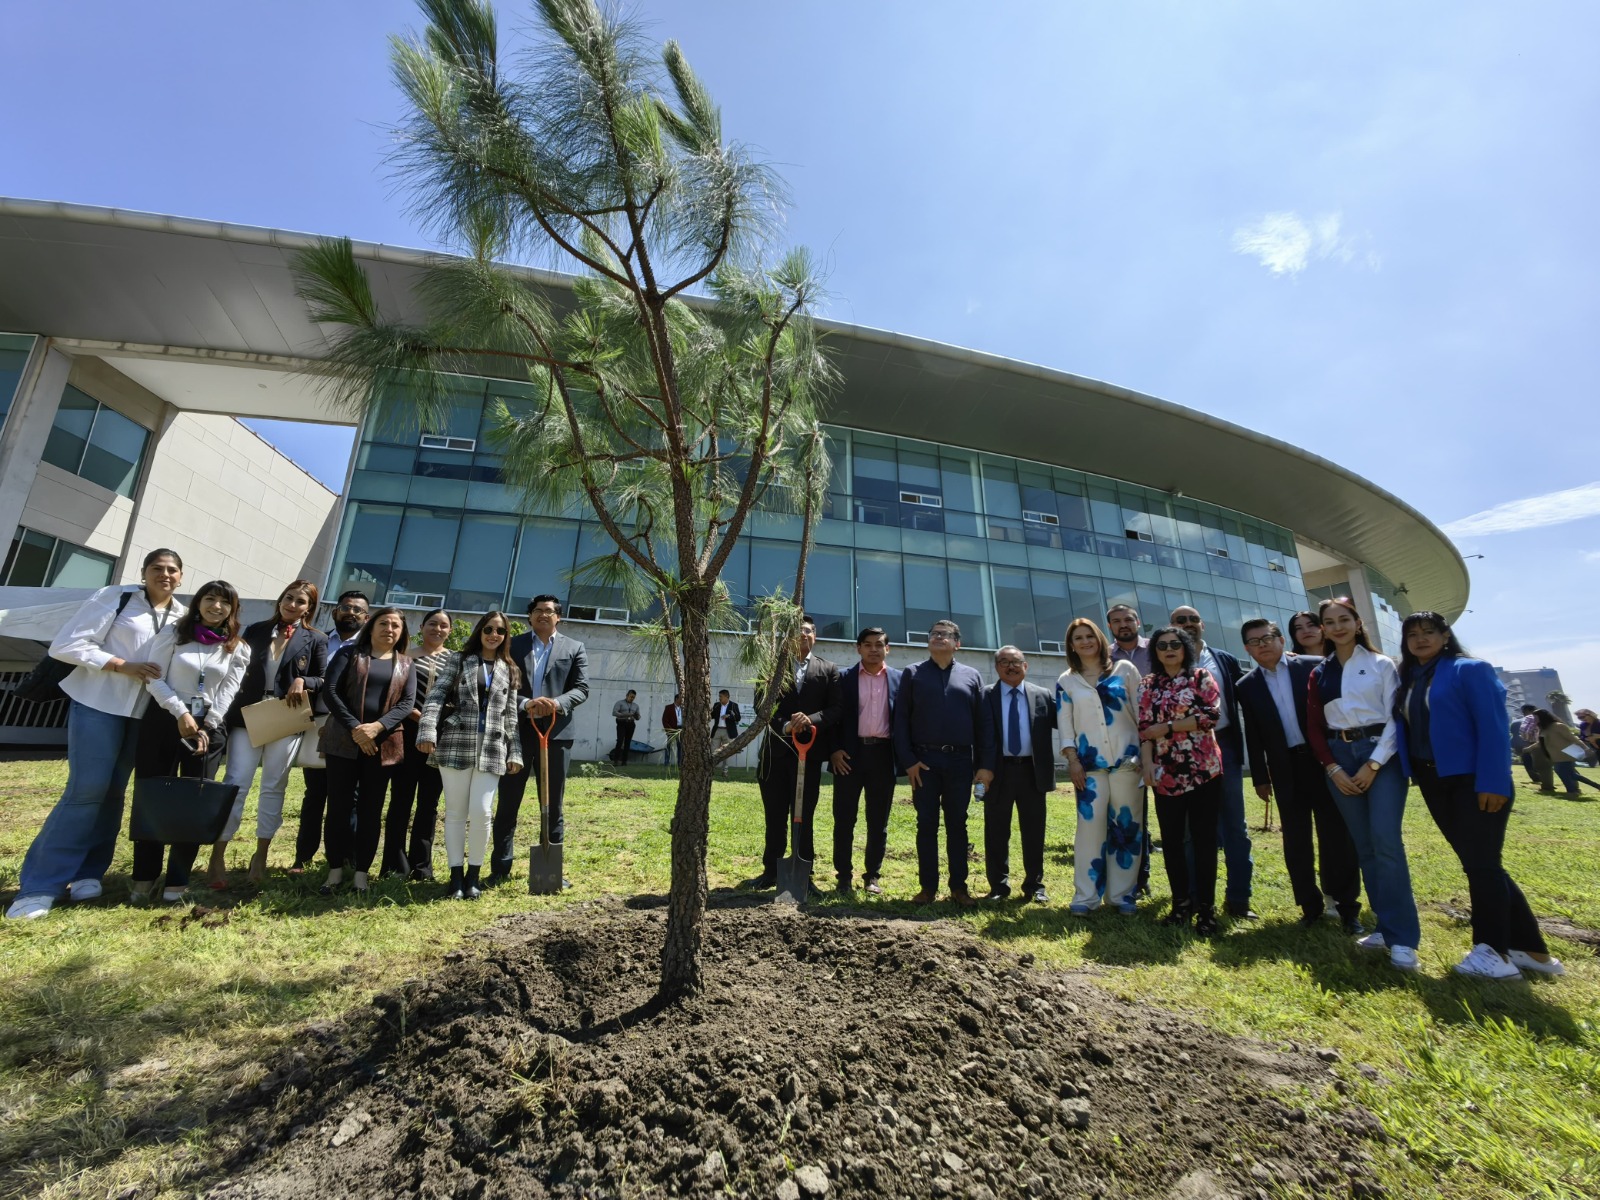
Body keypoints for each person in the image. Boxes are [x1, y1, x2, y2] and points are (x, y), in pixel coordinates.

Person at [6, 549, 186, 920]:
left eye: (172, 570)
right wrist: (122, 665)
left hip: (141, 715)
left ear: (181, 577)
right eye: (157, 568)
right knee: (86, 792)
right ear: (144, 572)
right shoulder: (115, 597)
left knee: (114, 793)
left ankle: (90, 871)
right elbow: (67, 645)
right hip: (97, 704)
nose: (164, 575)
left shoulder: (182, 616)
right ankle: (40, 886)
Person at [1395, 612, 1563, 978]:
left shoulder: (1469, 669)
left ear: (1445, 636)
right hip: (1432, 781)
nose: (1420, 639)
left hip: (1472, 779)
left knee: (1482, 865)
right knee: (1481, 863)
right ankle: (1532, 953)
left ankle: (1492, 951)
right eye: (1412, 634)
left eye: (1428, 632)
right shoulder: (1408, 678)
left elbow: (1493, 727)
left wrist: (1494, 781)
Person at [1306, 596, 1421, 972]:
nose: (1337, 626)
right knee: (1365, 848)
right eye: (1329, 621)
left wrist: (1373, 763)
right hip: (1340, 759)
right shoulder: (1319, 672)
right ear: (1322, 628)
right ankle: (1385, 929)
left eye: (1344, 619)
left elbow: (1395, 718)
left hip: (1380, 756)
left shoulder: (1381, 664)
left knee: (1386, 843)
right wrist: (1332, 768)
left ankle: (1404, 939)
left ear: (1358, 623)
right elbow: (1315, 727)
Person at [1235, 618, 1361, 931]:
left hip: (1325, 763)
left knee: (1336, 835)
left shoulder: (1314, 666)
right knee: (1296, 839)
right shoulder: (1246, 686)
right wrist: (1261, 777)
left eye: (1267, 638)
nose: (1262, 645)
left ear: (1281, 640)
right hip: (1285, 768)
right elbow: (1253, 733)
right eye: (1254, 641)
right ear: (1247, 649)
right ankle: (1310, 906)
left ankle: (1347, 906)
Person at [131, 580, 251, 903]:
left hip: (208, 729)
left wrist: (207, 726)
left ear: (232, 609)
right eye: (210, 599)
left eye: (225, 602)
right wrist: (180, 713)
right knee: (153, 795)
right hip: (164, 719)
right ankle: (144, 876)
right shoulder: (173, 633)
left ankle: (177, 881)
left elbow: (227, 692)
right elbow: (153, 677)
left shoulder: (237, 647)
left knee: (195, 802)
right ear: (198, 602)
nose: (216, 607)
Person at [212, 579, 328, 887]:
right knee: (235, 782)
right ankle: (218, 854)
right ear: (280, 600)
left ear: (309, 608)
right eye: (289, 598)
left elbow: (324, 678)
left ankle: (261, 855)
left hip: (286, 715)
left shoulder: (315, 639)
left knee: (274, 785)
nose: (292, 605)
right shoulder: (256, 631)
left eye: (300, 602)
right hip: (248, 714)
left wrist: (305, 682)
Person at [416, 611, 523, 900]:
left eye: (500, 631)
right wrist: (427, 731)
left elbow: (511, 715)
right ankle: (455, 877)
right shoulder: (460, 660)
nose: (493, 634)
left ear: (505, 636)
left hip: (493, 747)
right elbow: (436, 696)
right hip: (455, 741)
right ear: (480, 631)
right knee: (455, 813)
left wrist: (516, 752)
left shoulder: (509, 669)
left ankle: (474, 876)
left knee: (482, 811)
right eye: (488, 628)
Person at [892, 620, 994, 906]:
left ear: (956, 643)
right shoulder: (913, 673)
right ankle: (927, 888)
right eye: (933, 633)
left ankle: (959, 888)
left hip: (961, 761)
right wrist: (909, 761)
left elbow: (983, 724)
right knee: (926, 824)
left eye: (944, 634)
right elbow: (900, 721)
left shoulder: (972, 676)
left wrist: (984, 765)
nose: (937, 637)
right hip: (924, 762)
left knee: (957, 825)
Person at [318, 607, 416, 894]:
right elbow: (331, 691)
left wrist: (376, 728)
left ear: (402, 632)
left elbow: (406, 704)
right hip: (343, 743)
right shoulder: (349, 654)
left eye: (395, 625)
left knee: (371, 810)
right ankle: (335, 871)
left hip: (381, 746)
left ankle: (361, 874)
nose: (389, 629)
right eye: (384, 623)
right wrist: (356, 728)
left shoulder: (406, 664)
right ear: (371, 627)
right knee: (337, 808)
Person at [494, 595, 589, 886]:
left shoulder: (574, 648)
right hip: (517, 731)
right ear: (530, 616)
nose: (543, 615)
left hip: (557, 734)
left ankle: (549, 871)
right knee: (508, 801)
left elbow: (582, 688)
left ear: (558, 617)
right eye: (538, 611)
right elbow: (501, 683)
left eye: (549, 611)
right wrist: (526, 704)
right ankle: (500, 868)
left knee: (552, 803)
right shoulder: (512, 645)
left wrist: (556, 703)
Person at [1137, 625, 1224, 937]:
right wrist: (1147, 764)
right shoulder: (1148, 684)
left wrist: (1169, 727)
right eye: (1162, 645)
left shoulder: (1200, 677)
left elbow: (1210, 717)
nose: (1169, 649)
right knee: (1172, 843)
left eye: (1175, 644)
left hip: (1203, 771)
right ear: (1155, 652)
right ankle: (1180, 904)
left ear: (1185, 647)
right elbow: (1145, 728)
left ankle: (1207, 911)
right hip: (1166, 774)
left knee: (1203, 842)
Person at [1056, 618, 1146, 915]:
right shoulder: (1066, 681)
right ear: (1072, 645)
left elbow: (1141, 714)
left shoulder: (1125, 670)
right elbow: (1065, 726)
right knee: (1089, 832)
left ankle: (1122, 896)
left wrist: (1145, 756)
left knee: (1128, 828)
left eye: (1089, 636)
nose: (1084, 642)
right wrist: (1072, 760)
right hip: (1089, 767)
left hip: (1127, 763)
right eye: (1078, 638)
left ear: (1099, 638)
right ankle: (1085, 897)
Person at [1170, 605, 1254, 918]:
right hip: (1184, 755)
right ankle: (1194, 897)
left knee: (1235, 827)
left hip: (1225, 750)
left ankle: (1239, 900)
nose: (1189, 624)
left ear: (1202, 625)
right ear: (1172, 626)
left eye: (1193, 619)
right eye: (1181, 621)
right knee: (1193, 830)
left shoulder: (1223, 660)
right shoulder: (1168, 661)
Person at [749, 616, 842, 892]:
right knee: (774, 814)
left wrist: (808, 720)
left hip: (808, 754)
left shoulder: (828, 669)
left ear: (815, 636)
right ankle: (771, 870)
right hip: (774, 753)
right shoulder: (771, 668)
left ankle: (804, 872)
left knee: (804, 814)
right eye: (798, 630)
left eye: (809, 630)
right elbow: (761, 704)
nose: (803, 634)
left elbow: (836, 709)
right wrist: (786, 725)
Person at [290, 590, 367, 873]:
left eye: (358, 610)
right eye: (346, 607)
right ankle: (303, 857)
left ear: (366, 617)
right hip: (318, 724)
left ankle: (345, 857)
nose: (351, 613)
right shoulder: (318, 641)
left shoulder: (370, 649)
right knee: (315, 795)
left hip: (352, 729)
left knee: (350, 797)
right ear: (336, 612)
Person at [980, 646, 1056, 904]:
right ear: (996, 667)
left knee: (1034, 831)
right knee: (996, 831)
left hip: (1032, 773)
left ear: (1026, 666)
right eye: (1004, 662)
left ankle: (1034, 885)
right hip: (997, 772)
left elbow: (1067, 721)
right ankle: (999, 887)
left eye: (1016, 662)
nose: (1010, 666)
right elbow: (977, 736)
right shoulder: (984, 696)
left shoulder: (1043, 695)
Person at [829, 627, 902, 895]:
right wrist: (834, 750)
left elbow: (905, 721)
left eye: (879, 644)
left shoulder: (899, 680)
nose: (874, 649)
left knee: (878, 821)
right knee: (844, 819)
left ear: (887, 648)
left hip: (884, 756)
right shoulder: (843, 678)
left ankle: (872, 876)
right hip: (848, 756)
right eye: (867, 644)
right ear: (858, 648)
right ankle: (843, 876)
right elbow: (833, 717)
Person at [387, 607, 452, 879]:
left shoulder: (455, 660)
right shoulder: (405, 657)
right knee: (400, 799)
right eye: (432, 624)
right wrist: (419, 715)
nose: (437, 629)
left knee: (429, 802)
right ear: (422, 627)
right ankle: (394, 865)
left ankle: (422, 867)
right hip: (407, 732)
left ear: (449, 631)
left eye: (443, 625)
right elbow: (396, 694)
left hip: (440, 738)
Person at [1534, 709, 1585, 798]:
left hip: (1565, 754)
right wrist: (1528, 748)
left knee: (1566, 773)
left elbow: (1572, 738)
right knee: (1569, 774)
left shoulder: (1558, 726)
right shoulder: (1544, 728)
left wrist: (1585, 748)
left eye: (1536, 717)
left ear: (1542, 717)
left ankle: (1572, 792)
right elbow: (1540, 743)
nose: (1534, 720)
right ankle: (1575, 790)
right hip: (1555, 756)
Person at [1106, 603, 1151, 675]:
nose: (1123, 625)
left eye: (1128, 620)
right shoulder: (1106, 655)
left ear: (1138, 623)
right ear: (1109, 626)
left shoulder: (1154, 647)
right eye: (1116, 621)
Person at [711, 689, 741, 776]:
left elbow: (738, 717)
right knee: (713, 750)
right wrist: (708, 712)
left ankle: (725, 771)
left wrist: (729, 716)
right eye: (719, 696)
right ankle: (711, 769)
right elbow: (712, 716)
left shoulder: (733, 705)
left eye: (721, 696)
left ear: (726, 696)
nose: (719, 698)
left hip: (728, 732)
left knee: (726, 751)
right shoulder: (716, 705)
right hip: (717, 730)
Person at [1509, 703, 1540, 786]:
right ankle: (1539, 777)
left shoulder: (1515, 722)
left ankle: (1535, 777)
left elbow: (1512, 732)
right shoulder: (1535, 719)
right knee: (1537, 761)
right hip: (1532, 743)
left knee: (1527, 761)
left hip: (1519, 744)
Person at [611, 690, 640, 764]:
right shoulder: (620, 703)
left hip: (631, 724)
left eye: (633, 697)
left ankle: (624, 761)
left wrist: (636, 716)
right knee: (620, 741)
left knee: (628, 742)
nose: (632, 698)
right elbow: (614, 712)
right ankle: (616, 760)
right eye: (631, 696)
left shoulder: (636, 705)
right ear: (627, 695)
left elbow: (638, 717)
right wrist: (625, 715)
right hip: (621, 723)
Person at [661, 693, 683, 768]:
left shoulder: (683, 708)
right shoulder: (669, 707)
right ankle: (667, 762)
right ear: (676, 699)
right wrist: (668, 729)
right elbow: (664, 720)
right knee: (669, 746)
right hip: (671, 729)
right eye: (681, 698)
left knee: (680, 746)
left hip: (681, 729)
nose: (682, 700)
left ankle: (679, 763)